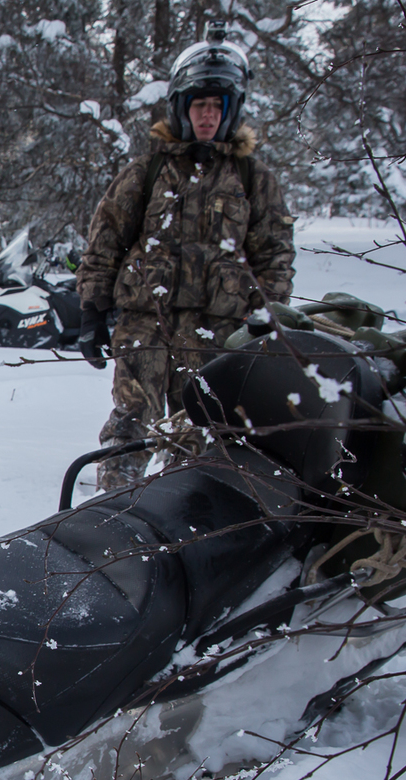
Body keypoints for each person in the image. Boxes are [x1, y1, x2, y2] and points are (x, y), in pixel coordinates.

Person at [77, 23, 296, 491]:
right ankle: (110, 517)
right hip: (145, 322)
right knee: (129, 425)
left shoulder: (253, 178)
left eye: (217, 106)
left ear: (231, 111)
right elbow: (106, 240)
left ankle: (184, 526)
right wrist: (92, 310)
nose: (207, 115)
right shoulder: (147, 171)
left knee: (204, 432)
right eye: (199, 104)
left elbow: (274, 254)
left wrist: (266, 317)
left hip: (217, 329)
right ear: (182, 107)